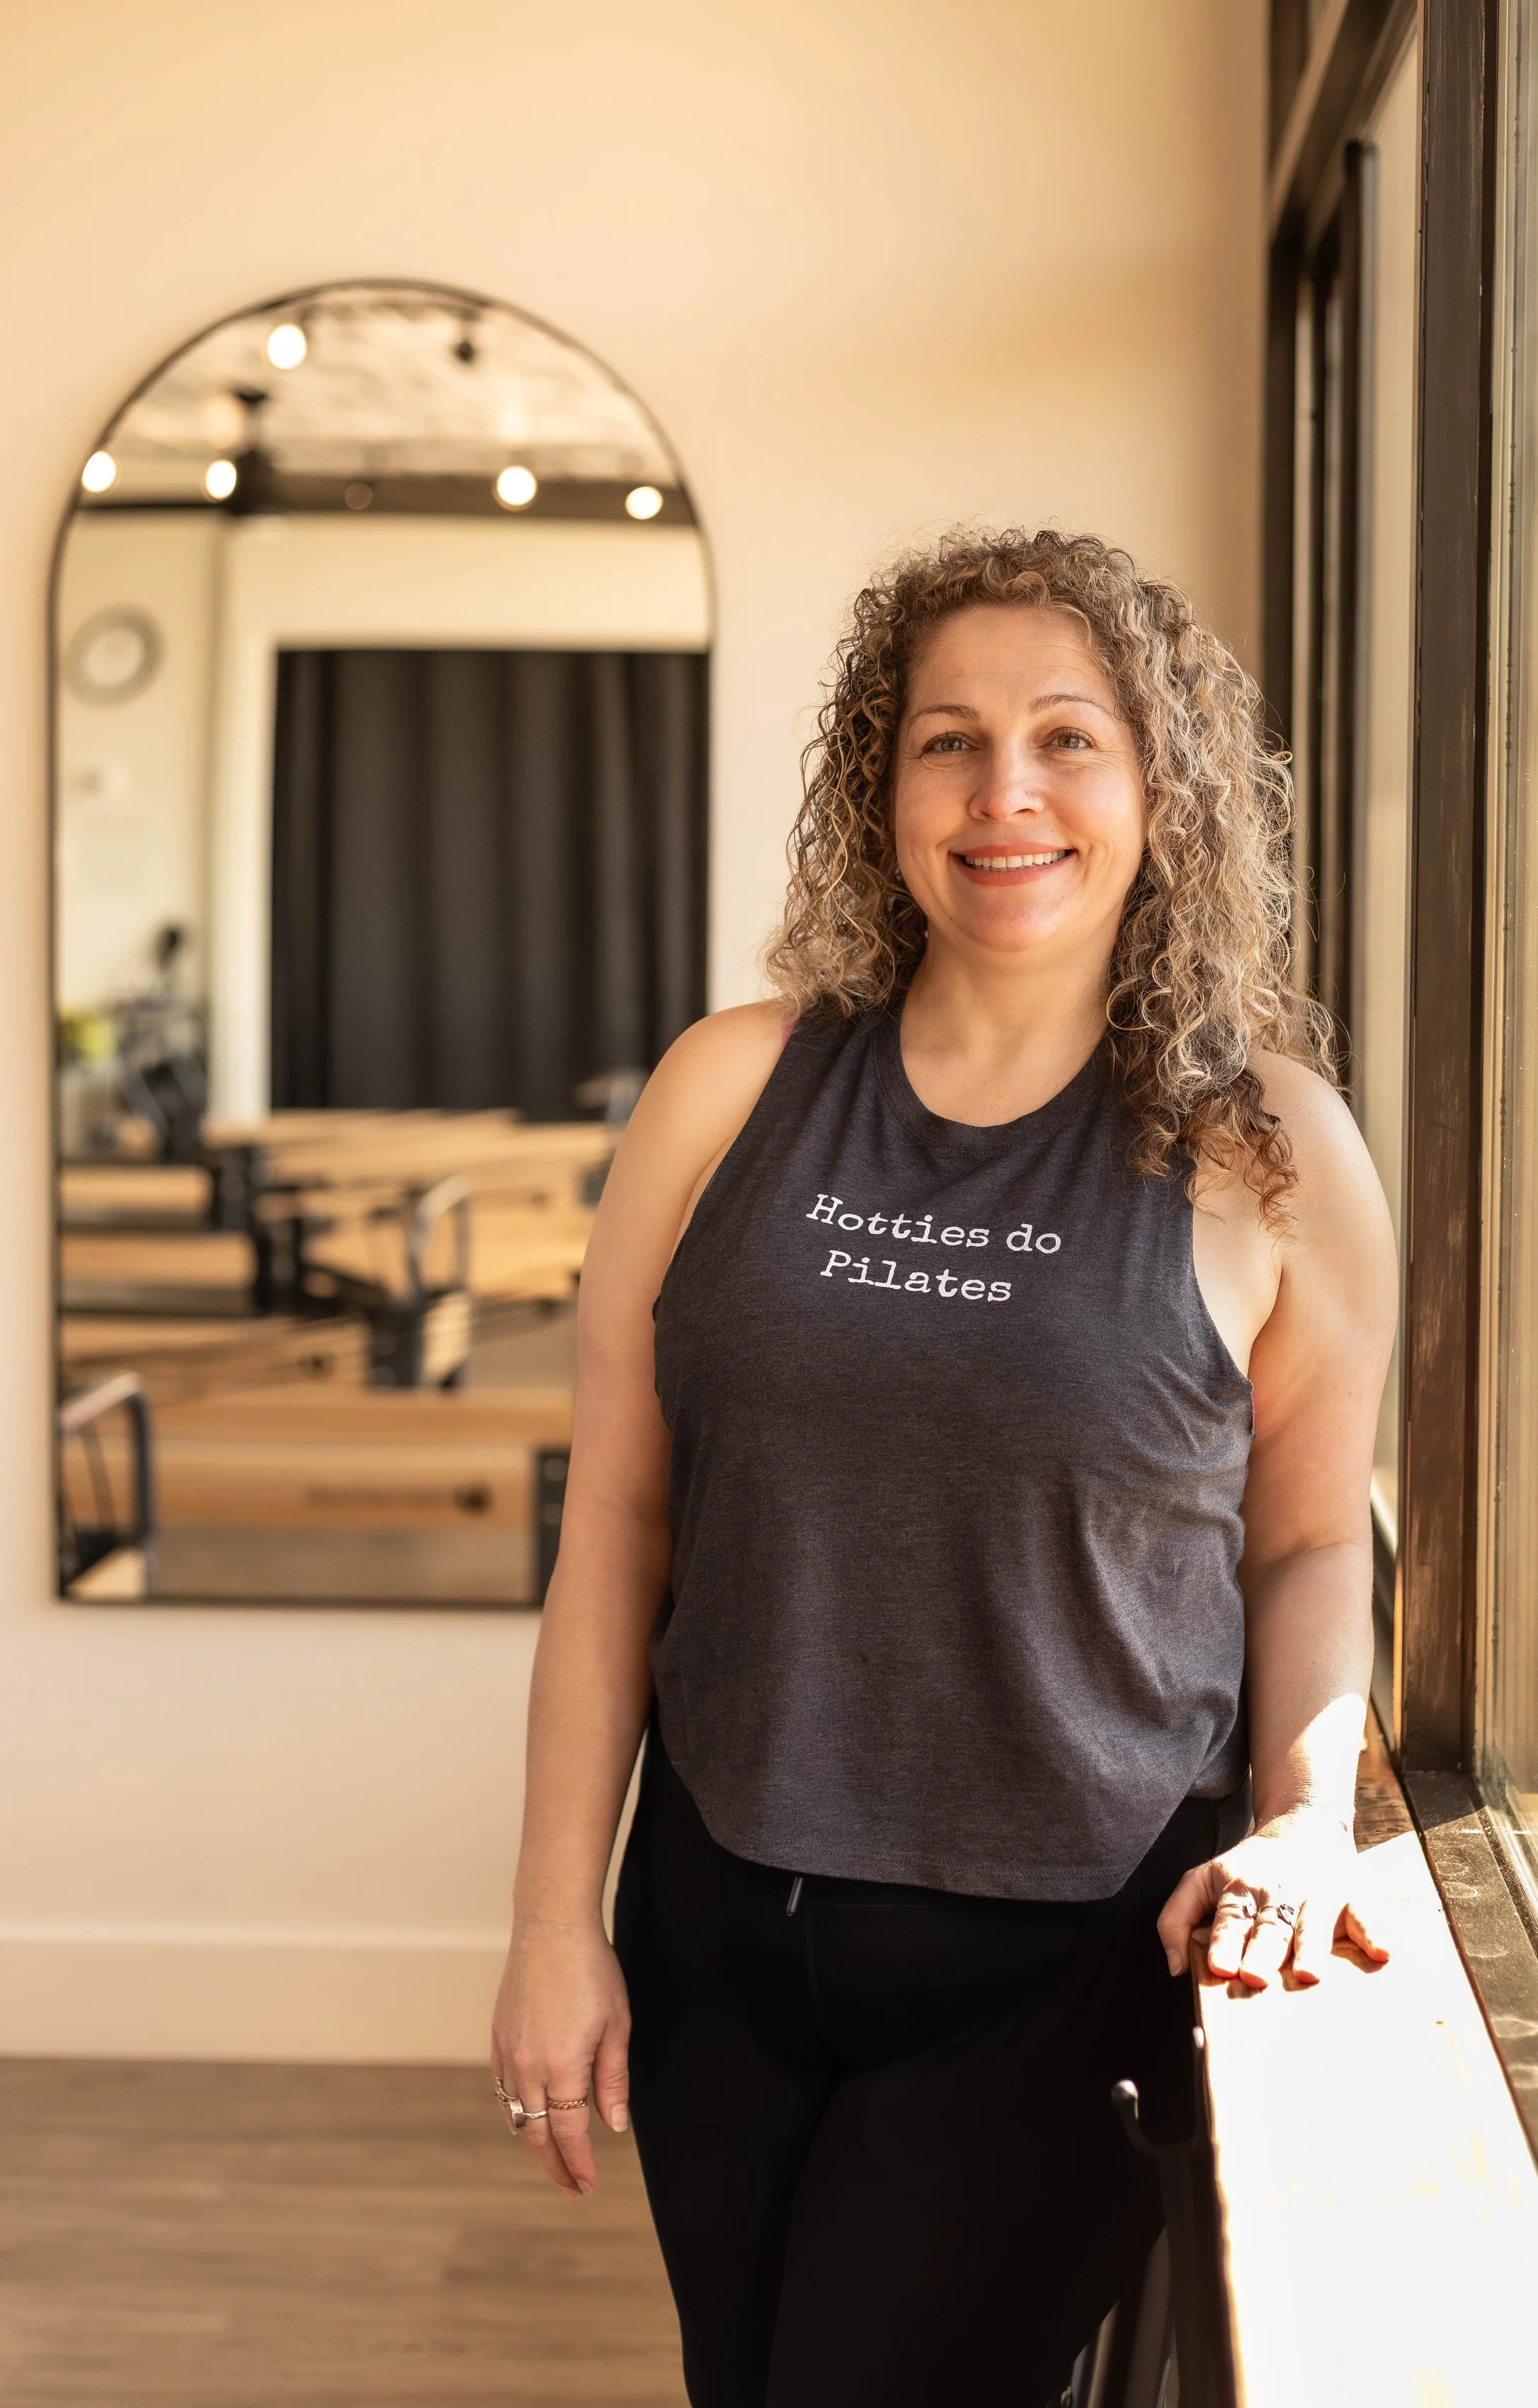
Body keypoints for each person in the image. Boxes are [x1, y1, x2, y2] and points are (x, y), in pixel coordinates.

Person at [491, 528, 1396, 2407]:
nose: (1006, 796)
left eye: (1068, 739)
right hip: (717, 1924)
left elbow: (1308, 1542)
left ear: (1162, 788)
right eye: (946, 741)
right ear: (875, 785)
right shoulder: (725, 1089)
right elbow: (618, 1542)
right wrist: (550, 1924)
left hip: (1059, 1959)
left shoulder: (1269, 1149)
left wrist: (1304, 1818)